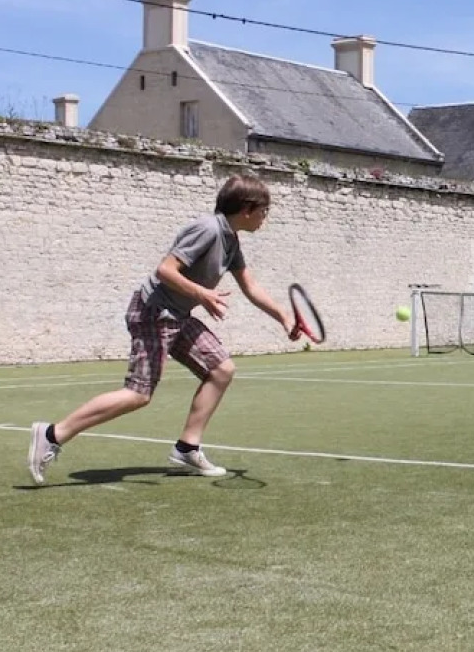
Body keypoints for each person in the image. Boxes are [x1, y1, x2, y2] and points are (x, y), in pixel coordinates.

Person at [27, 173, 295, 484]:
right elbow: (165, 269)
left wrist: (284, 317)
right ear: (247, 209)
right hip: (153, 312)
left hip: (177, 316)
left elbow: (250, 286)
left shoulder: (231, 239)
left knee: (221, 369)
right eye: (265, 210)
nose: (266, 217)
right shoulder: (207, 229)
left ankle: (187, 448)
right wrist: (202, 293)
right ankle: (51, 434)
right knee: (138, 394)